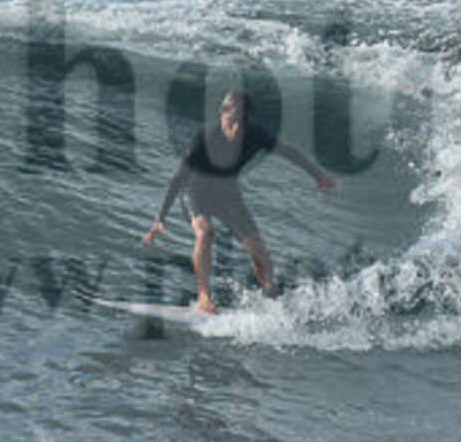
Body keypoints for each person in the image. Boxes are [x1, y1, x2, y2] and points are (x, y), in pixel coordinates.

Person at [142, 89, 336, 313]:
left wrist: (318, 176)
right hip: (195, 192)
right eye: (231, 122)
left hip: (227, 193)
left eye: (242, 124)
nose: (236, 130)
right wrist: (160, 218)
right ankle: (204, 297)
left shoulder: (256, 134)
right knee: (205, 233)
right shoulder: (206, 138)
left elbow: (289, 152)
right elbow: (177, 179)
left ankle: (270, 299)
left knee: (258, 250)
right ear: (222, 114)